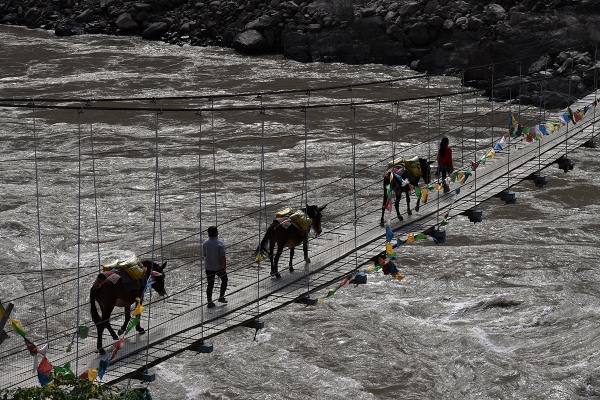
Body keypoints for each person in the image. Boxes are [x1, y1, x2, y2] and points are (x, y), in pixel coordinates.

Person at [202, 225, 227, 308]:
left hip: (208, 267)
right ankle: (221, 297)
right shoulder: (219, 243)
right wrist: (224, 267)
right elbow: (222, 257)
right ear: (216, 233)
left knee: (210, 284)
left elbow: (205, 255)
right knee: (224, 279)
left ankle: (209, 302)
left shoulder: (205, 243)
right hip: (218, 267)